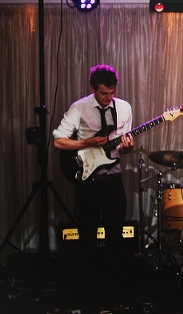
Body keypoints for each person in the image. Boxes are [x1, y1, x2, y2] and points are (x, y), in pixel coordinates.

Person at [52, 64, 134, 273]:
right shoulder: (79, 108)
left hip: (113, 180)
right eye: (104, 93)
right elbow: (59, 142)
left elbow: (122, 149)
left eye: (112, 92)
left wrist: (127, 148)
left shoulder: (124, 108)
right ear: (92, 89)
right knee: (87, 236)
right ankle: (88, 284)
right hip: (88, 182)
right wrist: (88, 143)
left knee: (115, 235)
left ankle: (114, 283)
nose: (108, 97)